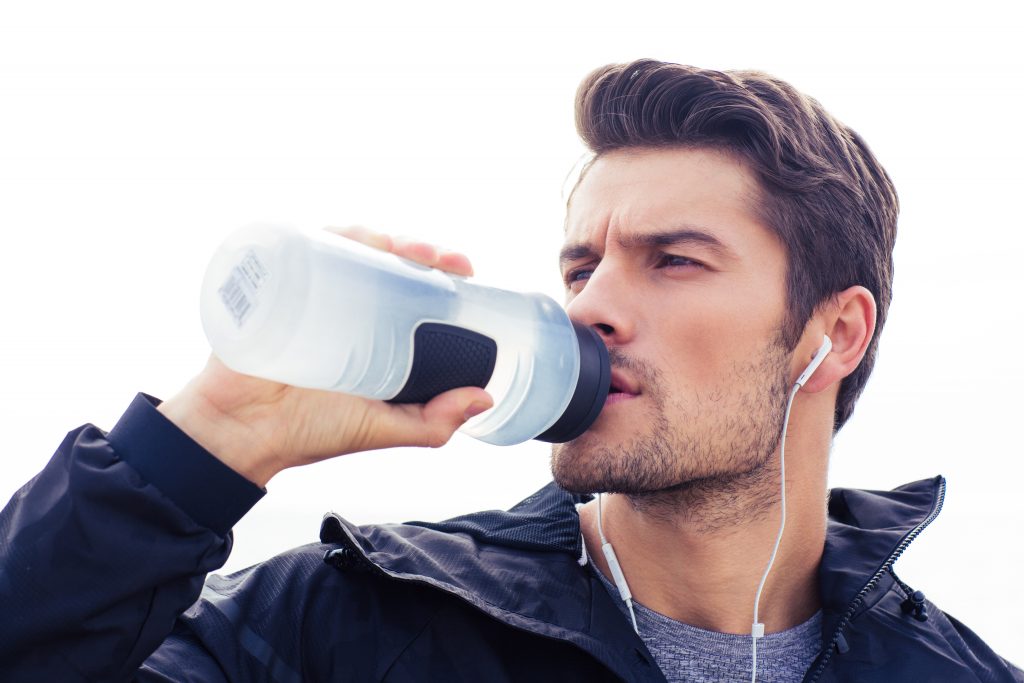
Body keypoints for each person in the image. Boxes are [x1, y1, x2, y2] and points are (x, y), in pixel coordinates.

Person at [1, 59, 1020, 682]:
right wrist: (207, 439)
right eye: (580, 265)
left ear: (832, 333)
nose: (588, 305)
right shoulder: (344, 622)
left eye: (672, 259)